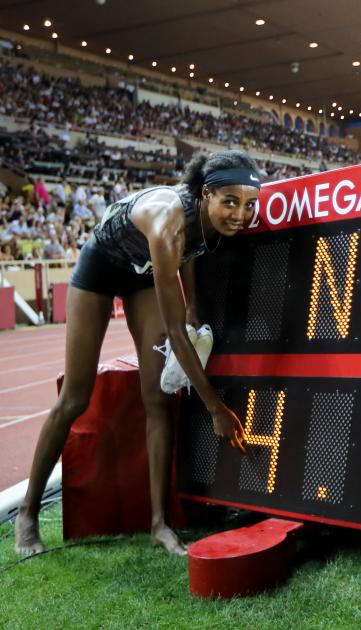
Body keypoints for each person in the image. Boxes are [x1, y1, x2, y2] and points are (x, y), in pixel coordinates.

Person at [14, 150, 259, 558]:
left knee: (157, 398)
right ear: (205, 195)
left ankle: (158, 525)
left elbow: (192, 253)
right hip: (102, 267)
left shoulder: (212, 221)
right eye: (230, 202)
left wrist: (195, 303)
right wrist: (215, 407)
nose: (240, 214)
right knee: (75, 396)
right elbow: (179, 338)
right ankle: (27, 514)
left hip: (143, 274)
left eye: (249, 204)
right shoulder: (168, 223)